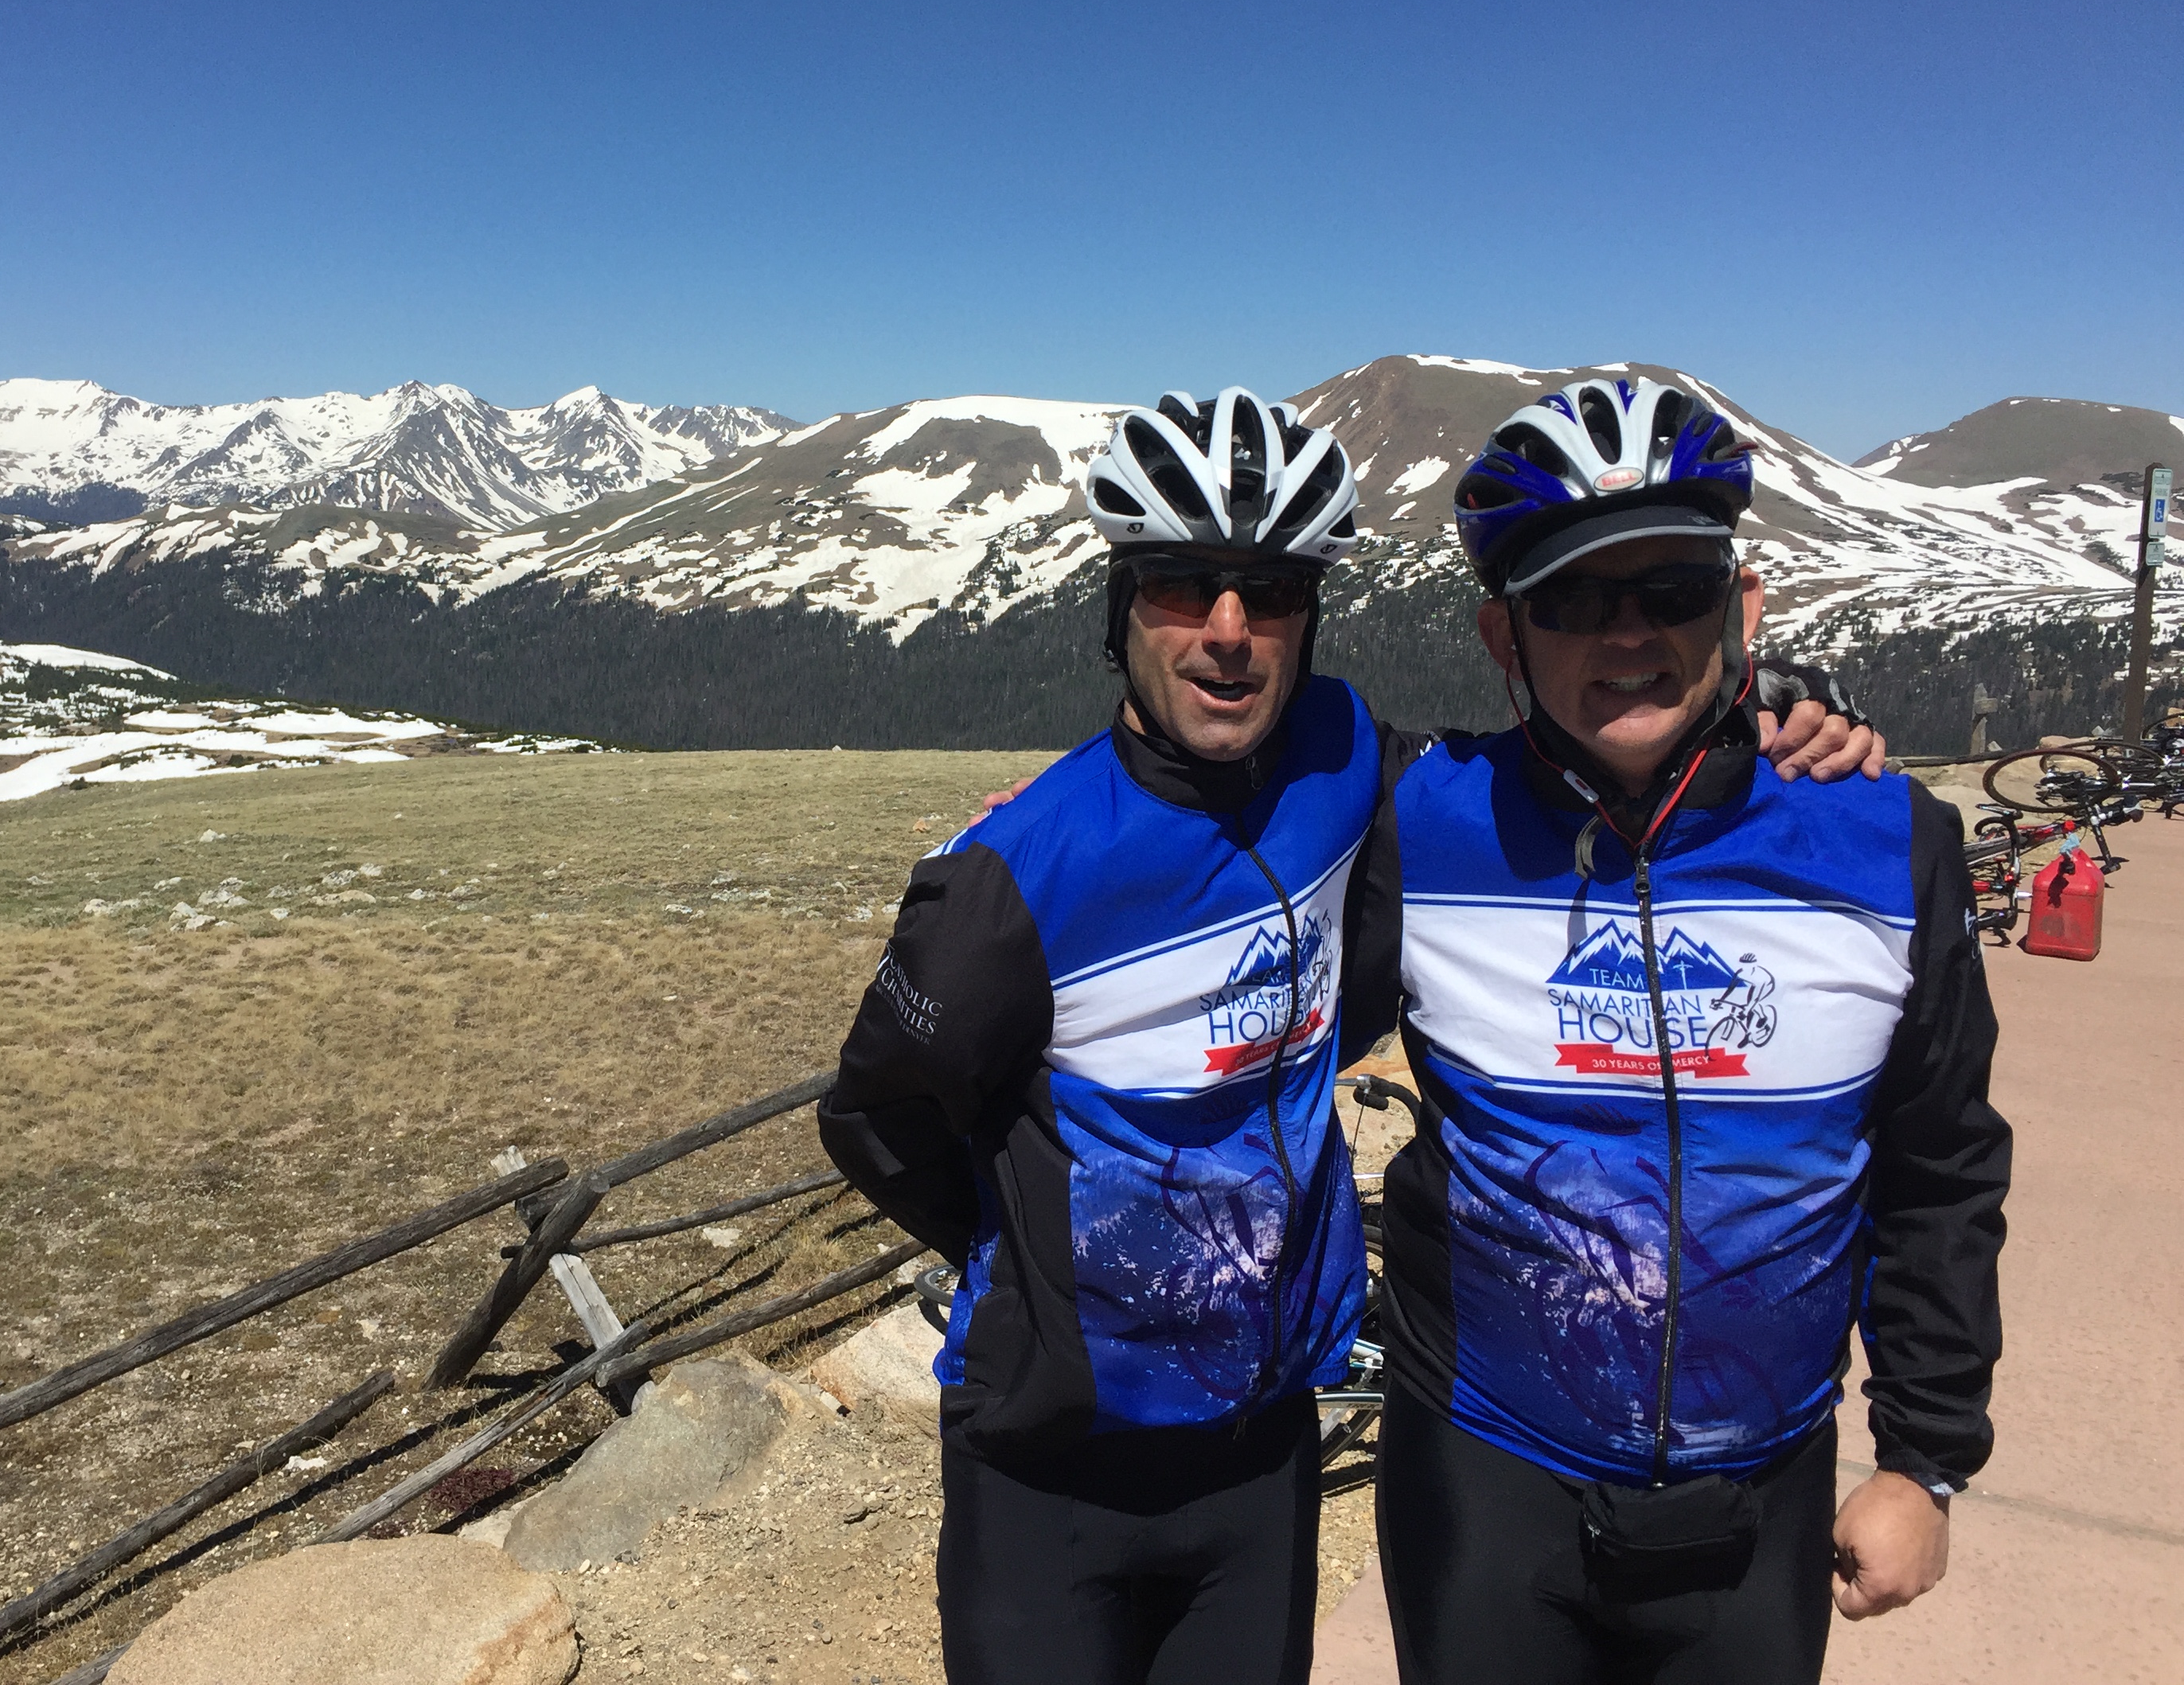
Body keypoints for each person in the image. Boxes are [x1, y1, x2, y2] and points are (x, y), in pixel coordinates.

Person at [816, 384, 1878, 1684]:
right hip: (1050, 1468)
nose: (1227, 632)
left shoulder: (1340, 756)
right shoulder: (1014, 878)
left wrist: (1766, 715)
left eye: (1268, 593)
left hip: (1262, 1451)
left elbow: (1545, 772)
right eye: (1180, 585)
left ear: (1308, 617)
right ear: (1116, 610)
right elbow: (876, 1121)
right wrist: (1037, 1265)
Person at [1367, 379, 2010, 1683]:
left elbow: (1941, 1166)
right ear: (1504, 634)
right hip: (1485, 1472)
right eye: (1571, 601)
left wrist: (1925, 1460)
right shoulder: (1414, 827)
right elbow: (1213, 835)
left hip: (1762, 1486)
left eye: (1670, 590)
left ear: (1744, 605)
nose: (1626, 635)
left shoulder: (1887, 842)